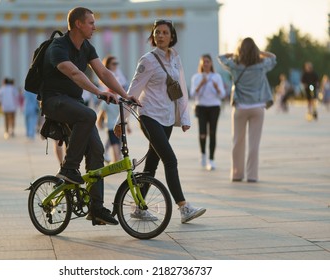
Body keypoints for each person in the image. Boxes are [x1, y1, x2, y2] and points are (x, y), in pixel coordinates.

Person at [40, 7, 139, 225]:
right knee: (88, 115)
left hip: (74, 103)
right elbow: (74, 72)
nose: (95, 26)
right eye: (91, 22)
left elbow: (103, 73)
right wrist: (99, 92)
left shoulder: (86, 46)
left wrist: (125, 95)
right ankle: (68, 168)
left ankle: (96, 209)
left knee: (97, 150)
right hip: (53, 101)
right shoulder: (58, 46)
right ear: (78, 24)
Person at [114, 19, 206, 224]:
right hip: (149, 116)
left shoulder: (174, 58)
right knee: (170, 160)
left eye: (165, 32)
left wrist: (184, 117)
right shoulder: (147, 60)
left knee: (151, 167)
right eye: (157, 32)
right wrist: (122, 120)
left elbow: (180, 88)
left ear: (172, 36)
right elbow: (133, 90)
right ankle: (184, 207)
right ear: (153, 36)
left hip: (165, 118)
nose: (161, 36)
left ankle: (139, 208)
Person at [218, 37, 276, 183]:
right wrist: (259, 52)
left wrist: (236, 53)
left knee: (237, 142)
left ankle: (237, 174)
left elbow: (221, 58)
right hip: (257, 107)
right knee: (254, 144)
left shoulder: (235, 65)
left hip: (240, 108)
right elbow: (273, 58)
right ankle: (252, 176)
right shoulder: (261, 64)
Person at [190, 54, 226, 171]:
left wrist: (217, 88)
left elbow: (222, 95)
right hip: (201, 107)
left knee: (212, 133)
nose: (206, 64)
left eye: (208, 62)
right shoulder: (196, 77)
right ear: (201, 64)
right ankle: (203, 154)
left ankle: (211, 159)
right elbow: (192, 95)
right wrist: (201, 84)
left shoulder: (217, 77)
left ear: (211, 64)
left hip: (214, 107)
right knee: (202, 133)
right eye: (204, 62)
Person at [98, 55, 129, 163]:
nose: (116, 65)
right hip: (112, 118)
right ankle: (114, 158)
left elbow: (124, 112)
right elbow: (102, 110)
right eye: (114, 63)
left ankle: (114, 158)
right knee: (115, 142)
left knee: (116, 142)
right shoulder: (105, 75)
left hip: (115, 124)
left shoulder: (118, 74)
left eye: (117, 63)